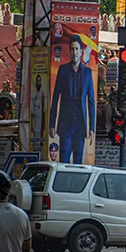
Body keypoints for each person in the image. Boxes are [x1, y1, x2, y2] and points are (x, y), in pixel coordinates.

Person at [48, 34, 95, 164]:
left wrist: (91, 128)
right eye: (72, 49)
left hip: (80, 125)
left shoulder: (87, 73)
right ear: (70, 51)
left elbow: (91, 102)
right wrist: (52, 124)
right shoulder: (63, 70)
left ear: (81, 52)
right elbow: (55, 97)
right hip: (65, 125)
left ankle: (75, 185)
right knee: (63, 161)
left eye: (77, 49)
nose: (74, 52)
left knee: (78, 163)